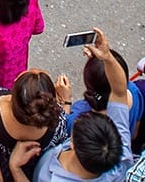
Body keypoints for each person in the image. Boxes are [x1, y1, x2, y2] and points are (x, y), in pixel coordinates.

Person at [35, 28, 134, 182]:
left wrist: (16, 169)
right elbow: (119, 91)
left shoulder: (48, 179)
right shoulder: (121, 158)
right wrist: (107, 58)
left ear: (73, 144)